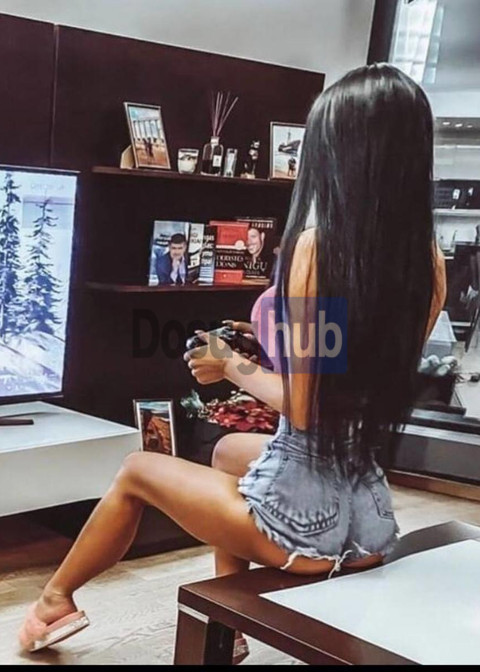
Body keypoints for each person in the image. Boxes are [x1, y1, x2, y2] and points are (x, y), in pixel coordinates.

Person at [19, 64, 446, 664]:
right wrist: (261, 339)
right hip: (369, 518)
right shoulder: (427, 259)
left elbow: (309, 405)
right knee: (228, 452)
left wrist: (228, 366)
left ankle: (53, 602)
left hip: (307, 526)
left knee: (137, 470)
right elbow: (355, 372)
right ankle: (232, 621)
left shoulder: (318, 248)